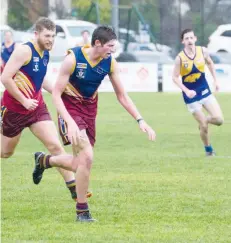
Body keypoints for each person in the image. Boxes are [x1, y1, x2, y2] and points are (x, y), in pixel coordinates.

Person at [33, 26, 156, 222]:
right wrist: (70, 122)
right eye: (110, 46)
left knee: (79, 163)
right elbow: (56, 93)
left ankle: (44, 161)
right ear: (97, 43)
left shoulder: (109, 62)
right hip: (70, 109)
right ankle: (82, 211)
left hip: (90, 111)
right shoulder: (73, 59)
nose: (112, 50)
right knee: (88, 157)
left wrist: (140, 120)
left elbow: (122, 95)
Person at [0, 17, 82, 200]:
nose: (50, 40)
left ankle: (75, 191)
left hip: (37, 108)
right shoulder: (24, 51)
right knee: (5, 152)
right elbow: (5, 78)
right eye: (47, 35)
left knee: (55, 146)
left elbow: (40, 78)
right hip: (14, 110)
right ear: (36, 34)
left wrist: (59, 91)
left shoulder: (45, 52)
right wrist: (23, 100)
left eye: (53, 36)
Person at [172, 29, 223, 156]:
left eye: (191, 38)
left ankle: (203, 120)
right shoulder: (180, 58)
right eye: (186, 38)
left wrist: (216, 81)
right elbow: (174, 77)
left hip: (204, 90)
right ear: (183, 41)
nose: (189, 40)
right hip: (191, 96)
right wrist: (186, 90)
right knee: (204, 126)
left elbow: (210, 63)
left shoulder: (203, 51)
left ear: (195, 39)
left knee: (219, 120)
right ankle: (208, 150)